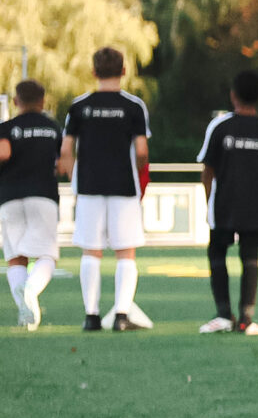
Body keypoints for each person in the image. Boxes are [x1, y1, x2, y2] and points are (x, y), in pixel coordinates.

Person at [61, 46, 153, 332]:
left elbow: (66, 150)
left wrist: (75, 178)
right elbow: (141, 150)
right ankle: (122, 316)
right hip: (124, 185)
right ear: (124, 71)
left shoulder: (79, 106)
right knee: (126, 252)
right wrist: (138, 175)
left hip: (88, 186)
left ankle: (91, 316)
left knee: (91, 251)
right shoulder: (134, 106)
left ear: (93, 72)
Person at [196, 70, 258, 335]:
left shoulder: (220, 126)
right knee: (250, 257)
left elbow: (207, 169)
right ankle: (247, 318)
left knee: (217, 253)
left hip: (224, 202)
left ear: (233, 95)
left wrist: (208, 199)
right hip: (256, 204)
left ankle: (224, 314)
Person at [0, 79, 64, 330]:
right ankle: (31, 290)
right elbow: (63, 163)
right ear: (43, 101)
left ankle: (26, 316)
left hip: (9, 196)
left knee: (16, 258)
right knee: (47, 254)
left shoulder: (7, 127)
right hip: (43, 195)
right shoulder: (53, 128)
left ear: (16, 101)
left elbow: (3, 153)